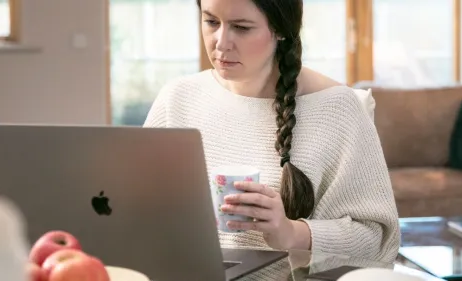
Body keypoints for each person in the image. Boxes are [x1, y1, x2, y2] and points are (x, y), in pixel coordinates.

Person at [143, 0, 400, 263]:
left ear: (280, 28)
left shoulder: (336, 108)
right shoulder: (177, 99)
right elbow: (134, 208)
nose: (220, 43)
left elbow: (376, 239)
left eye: (241, 27)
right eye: (211, 22)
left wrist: (292, 234)